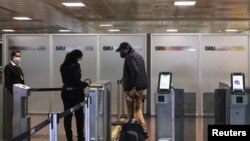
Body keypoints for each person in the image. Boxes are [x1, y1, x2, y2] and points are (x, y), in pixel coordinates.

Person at [116, 42, 148, 133]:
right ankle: (142, 128)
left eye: (121, 51)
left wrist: (133, 87)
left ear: (126, 49)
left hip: (132, 89)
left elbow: (135, 71)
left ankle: (132, 131)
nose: (120, 53)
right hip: (141, 87)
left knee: (131, 110)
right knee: (138, 108)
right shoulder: (138, 55)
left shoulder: (129, 57)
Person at [60, 49, 89, 141]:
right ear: (77, 57)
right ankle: (80, 137)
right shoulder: (75, 66)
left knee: (67, 115)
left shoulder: (63, 66)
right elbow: (76, 81)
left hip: (65, 92)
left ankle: (69, 138)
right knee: (79, 116)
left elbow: (65, 81)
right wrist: (85, 84)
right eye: (80, 57)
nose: (80, 59)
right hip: (76, 94)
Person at [3, 50, 25, 140]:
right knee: (11, 114)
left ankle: (18, 133)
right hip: (13, 94)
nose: (18, 57)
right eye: (17, 56)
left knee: (19, 114)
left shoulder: (19, 67)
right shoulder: (8, 67)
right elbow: (8, 83)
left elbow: (22, 80)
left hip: (20, 94)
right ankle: (10, 134)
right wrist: (15, 93)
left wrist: (23, 90)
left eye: (19, 56)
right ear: (12, 56)